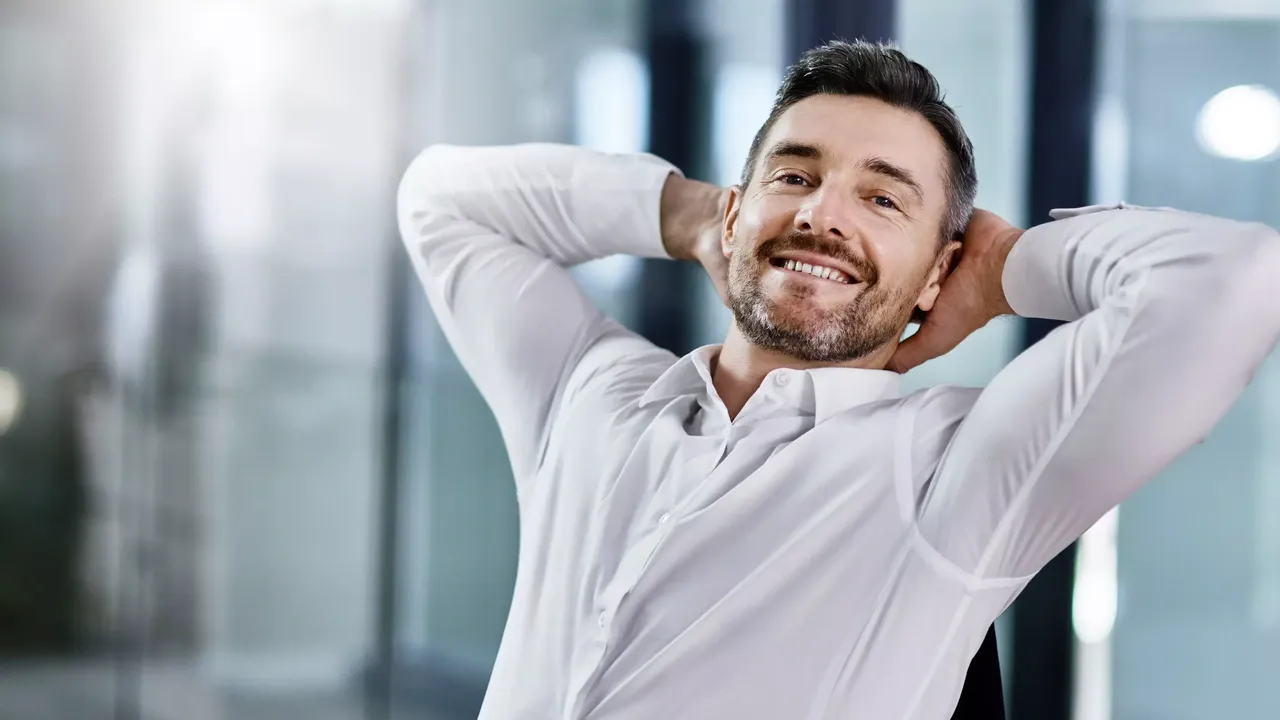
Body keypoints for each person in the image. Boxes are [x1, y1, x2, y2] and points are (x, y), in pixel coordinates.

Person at [396, 39, 1280, 719]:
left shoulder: (956, 473)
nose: (821, 214)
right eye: (795, 175)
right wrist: (692, 216)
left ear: (939, 272)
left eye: (883, 198)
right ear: (740, 210)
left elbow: (1231, 281)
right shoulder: (588, 399)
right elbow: (441, 200)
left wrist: (1008, 267)